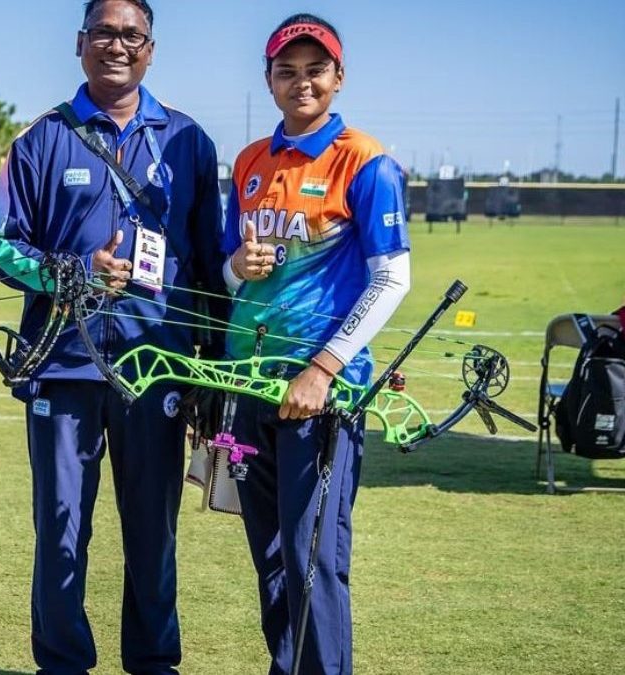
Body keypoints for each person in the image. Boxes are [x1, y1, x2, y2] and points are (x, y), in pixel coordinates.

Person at [0, 1, 224, 672]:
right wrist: (71, 272)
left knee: (154, 531)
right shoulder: (40, 140)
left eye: (131, 35)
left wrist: (212, 372)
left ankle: (153, 662)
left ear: (150, 49)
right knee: (60, 529)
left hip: (158, 371)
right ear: (79, 43)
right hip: (63, 369)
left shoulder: (188, 141)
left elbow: (210, 267)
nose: (116, 45)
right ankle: (62, 663)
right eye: (103, 33)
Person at [221, 14, 411, 674]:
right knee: (270, 557)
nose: (301, 82)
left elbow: (393, 277)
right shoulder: (248, 162)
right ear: (269, 79)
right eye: (286, 70)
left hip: (319, 395)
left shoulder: (365, 160)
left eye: (315, 69)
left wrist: (324, 369)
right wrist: (236, 268)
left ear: (338, 77)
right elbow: (229, 272)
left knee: (313, 558)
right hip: (249, 388)